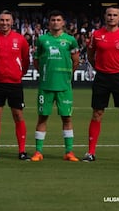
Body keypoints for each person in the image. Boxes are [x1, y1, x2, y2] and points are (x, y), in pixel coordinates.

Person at [83, 5, 119, 163]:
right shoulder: (96, 35)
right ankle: (90, 152)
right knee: (97, 114)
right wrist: (98, 68)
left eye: (115, 15)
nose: (111, 17)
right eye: (109, 15)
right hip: (102, 78)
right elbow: (90, 54)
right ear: (105, 16)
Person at [30, 10, 80, 162]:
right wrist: (45, 74)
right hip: (46, 85)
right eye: (53, 20)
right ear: (49, 22)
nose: (55, 22)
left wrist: (66, 76)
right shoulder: (42, 40)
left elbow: (76, 61)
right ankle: (38, 152)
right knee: (42, 118)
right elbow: (36, 61)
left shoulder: (71, 40)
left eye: (58, 20)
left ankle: (69, 152)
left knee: (67, 118)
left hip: (64, 86)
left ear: (63, 22)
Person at [0, 10, 30, 160]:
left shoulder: (20, 39)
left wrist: (17, 74)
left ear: (12, 22)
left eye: (7, 20)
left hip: (15, 84)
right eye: (2, 20)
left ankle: (22, 151)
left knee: (18, 116)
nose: (4, 23)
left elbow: (25, 61)